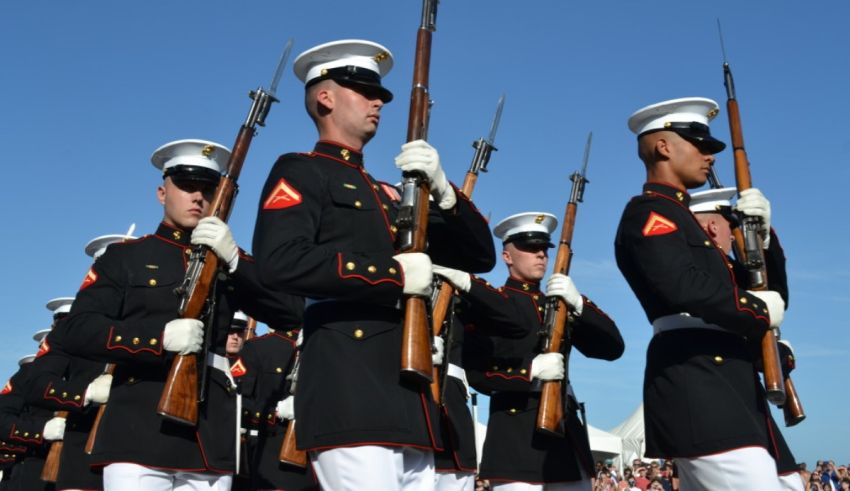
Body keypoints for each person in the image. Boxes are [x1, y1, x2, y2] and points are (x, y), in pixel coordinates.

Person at [252, 39, 496, 490]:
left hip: (411, 394)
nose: (378, 102)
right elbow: (280, 261)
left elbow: (481, 255)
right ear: (325, 97)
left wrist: (444, 192)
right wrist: (395, 275)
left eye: (380, 95)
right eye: (364, 92)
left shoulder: (389, 194)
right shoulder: (301, 171)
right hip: (349, 386)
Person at [55, 139, 303, 490]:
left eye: (208, 189)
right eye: (186, 187)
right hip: (140, 426)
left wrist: (237, 263)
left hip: (210, 431)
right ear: (161, 192)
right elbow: (76, 331)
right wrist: (158, 339)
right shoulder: (125, 258)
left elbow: (291, 313)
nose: (198, 197)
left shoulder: (230, 261)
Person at [615, 97, 788, 490]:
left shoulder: (683, 221)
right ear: (663, 147)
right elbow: (684, 287)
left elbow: (770, 296)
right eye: (700, 145)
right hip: (697, 378)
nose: (709, 156)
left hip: (729, 381)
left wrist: (765, 239)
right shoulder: (650, 214)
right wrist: (756, 310)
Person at [434, 212, 624, 490]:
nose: (540, 256)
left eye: (544, 250)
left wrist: (580, 305)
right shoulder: (489, 305)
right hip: (517, 438)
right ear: (507, 257)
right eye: (529, 248)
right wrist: (529, 372)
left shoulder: (557, 306)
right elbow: (476, 374)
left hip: (565, 437)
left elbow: (612, 348)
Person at [689, 187, 804, 491]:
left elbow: (773, 293)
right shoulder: (700, 273)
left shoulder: (728, 271)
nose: (735, 234)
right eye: (733, 226)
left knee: (789, 482)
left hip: (743, 400)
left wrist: (765, 241)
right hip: (718, 401)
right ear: (715, 226)